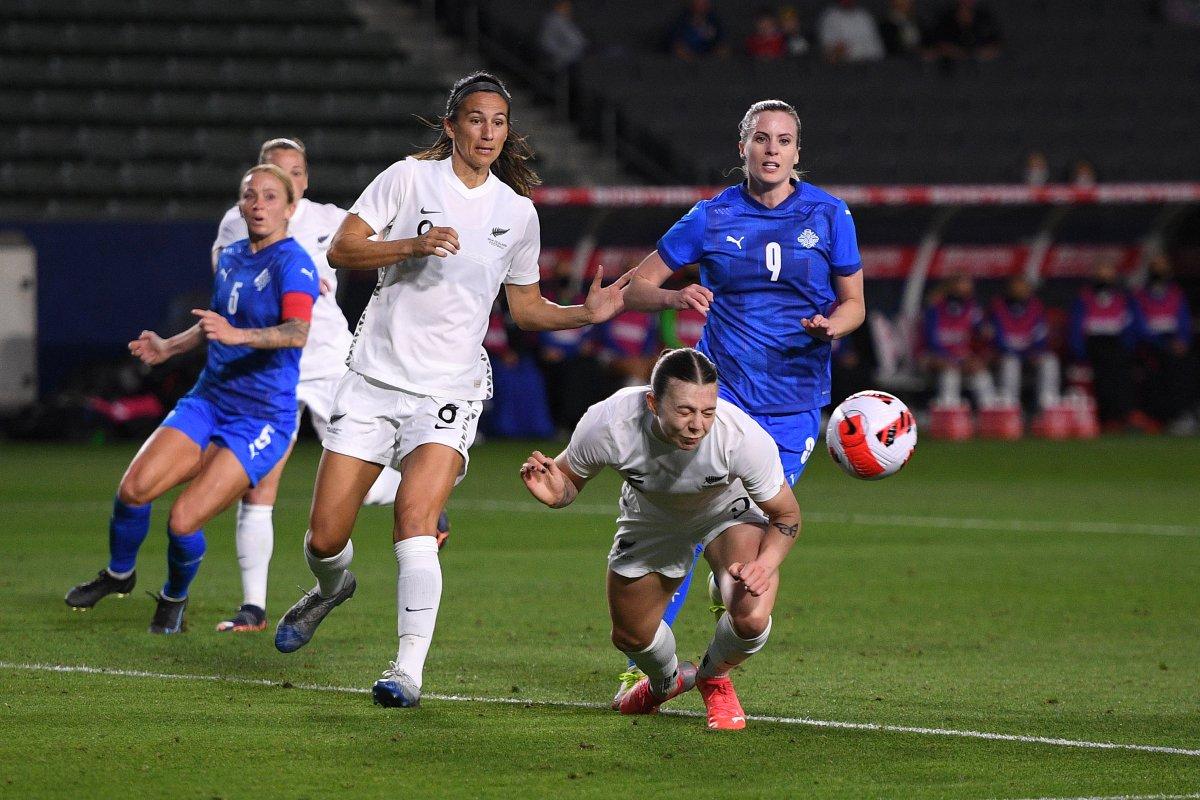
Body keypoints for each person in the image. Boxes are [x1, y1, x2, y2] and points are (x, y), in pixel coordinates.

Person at [270, 71, 631, 708]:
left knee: (415, 522)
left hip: (450, 391)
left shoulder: (517, 214)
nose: (488, 132)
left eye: (498, 122)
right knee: (324, 539)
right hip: (374, 380)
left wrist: (582, 315)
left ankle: (406, 671)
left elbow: (522, 308)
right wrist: (412, 244)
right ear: (451, 126)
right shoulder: (407, 179)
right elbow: (342, 252)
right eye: (475, 119)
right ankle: (331, 588)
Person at [622, 98, 865, 708]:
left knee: (751, 556)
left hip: (793, 407)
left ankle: (712, 665)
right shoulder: (710, 217)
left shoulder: (831, 215)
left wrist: (833, 327)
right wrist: (677, 299)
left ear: (797, 152)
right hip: (716, 401)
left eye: (784, 139)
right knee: (683, 520)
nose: (772, 149)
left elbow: (855, 303)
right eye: (761, 138)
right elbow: (636, 287)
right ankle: (648, 665)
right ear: (743, 149)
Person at [64, 165, 319, 634]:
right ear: (241, 204)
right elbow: (212, 324)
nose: (259, 205)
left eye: (269, 196)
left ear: (290, 207)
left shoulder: (294, 263)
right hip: (210, 398)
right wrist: (168, 347)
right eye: (250, 196)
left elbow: (297, 331)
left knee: (183, 521)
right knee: (133, 489)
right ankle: (120, 574)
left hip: (261, 418)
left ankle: (173, 600)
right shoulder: (233, 256)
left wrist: (238, 334)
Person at [520, 348, 801, 730]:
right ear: (652, 401)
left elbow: (786, 515)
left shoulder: (741, 438)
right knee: (630, 635)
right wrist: (554, 494)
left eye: (707, 411)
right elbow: (567, 481)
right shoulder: (609, 423)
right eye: (684, 411)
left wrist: (763, 567)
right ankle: (667, 679)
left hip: (726, 513)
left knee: (751, 613)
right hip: (651, 517)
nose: (697, 425)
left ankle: (714, 676)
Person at [210, 137, 413, 634]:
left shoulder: (331, 220)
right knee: (259, 482)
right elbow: (226, 286)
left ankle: (412, 495)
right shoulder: (238, 224)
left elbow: (387, 247)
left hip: (327, 361)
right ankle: (252, 607)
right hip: (267, 367)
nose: (290, 181)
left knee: (358, 484)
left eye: (297, 171)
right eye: (278, 172)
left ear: (306, 177)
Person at [1132, 254, 1197, 434]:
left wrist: (1182, 341)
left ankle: (1183, 415)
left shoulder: (1176, 294)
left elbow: (1184, 322)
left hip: (1175, 345)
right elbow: (1140, 326)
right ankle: (1160, 417)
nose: (1159, 272)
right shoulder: (1140, 296)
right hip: (1152, 345)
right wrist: (1163, 344)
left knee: (1187, 366)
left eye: (1163, 268)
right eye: (1156, 268)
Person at [921, 274, 997, 408]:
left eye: (967, 287)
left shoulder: (971, 309)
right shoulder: (935, 308)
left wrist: (976, 356)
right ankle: (949, 410)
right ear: (950, 287)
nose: (964, 290)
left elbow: (984, 333)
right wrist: (955, 359)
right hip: (930, 356)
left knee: (979, 370)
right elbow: (931, 342)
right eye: (960, 286)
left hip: (959, 357)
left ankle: (989, 410)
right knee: (950, 372)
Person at [987, 275, 1059, 411]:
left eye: (1022, 287)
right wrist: (1016, 353)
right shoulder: (998, 307)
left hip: (1029, 353)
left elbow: (1041, 334)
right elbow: (997, 338)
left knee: (1050, 360)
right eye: (1015, 287)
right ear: (1008, 289)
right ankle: (1010, 407)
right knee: (1011, 362)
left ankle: (1047, 406)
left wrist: (1034, 352)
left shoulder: (1036, 307)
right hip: (1006, 354)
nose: (1019, 290)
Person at [818, 0, 885, 63]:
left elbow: (876, 48)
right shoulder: (830, 17)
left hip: (870, 64)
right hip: (843, 67)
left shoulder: (864, 16)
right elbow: (829, 51)